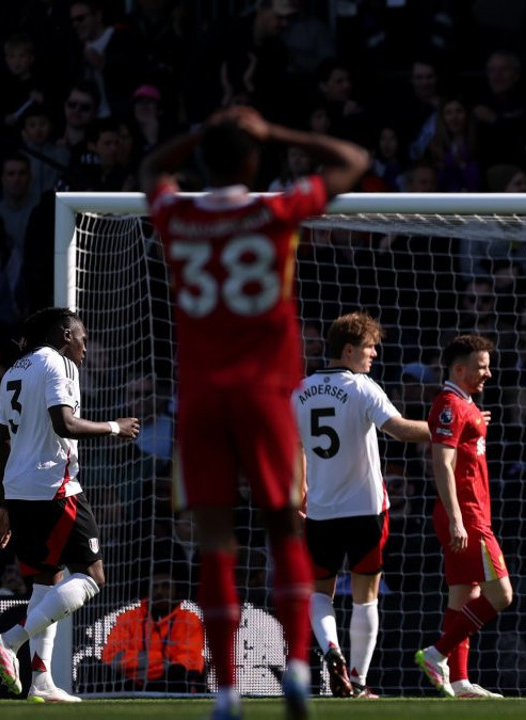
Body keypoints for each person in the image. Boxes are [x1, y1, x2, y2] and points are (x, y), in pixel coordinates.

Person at [139, 105, 368, 720]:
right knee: (284, 527)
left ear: (205, 158)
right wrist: (273, 129)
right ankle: (296, 666)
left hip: (202, 398)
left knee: (216, 542)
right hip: (267, 393)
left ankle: (226, 693)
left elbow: (151, 168)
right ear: (253, 159)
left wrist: (206, 130)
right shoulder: (274, 211)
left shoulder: (177, 215)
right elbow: (353, 160)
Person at [0, 307, 142, 703]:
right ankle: (10, 639)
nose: (85, 347)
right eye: (81, 337)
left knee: (46, 582)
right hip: (56, 488)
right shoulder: (60, 364)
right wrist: (114, 427)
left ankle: (41, 681)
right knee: (93, 577)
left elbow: (1, 441)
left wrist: (5, 502)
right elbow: (65, 424)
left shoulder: (12, 372)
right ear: (63, 335)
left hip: (20, 492)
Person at [294, 311, 430, 699]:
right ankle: (357, 680)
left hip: (320, 511)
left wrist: (299, 486)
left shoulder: (299, 391)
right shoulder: (362, 388)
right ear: (349, 349)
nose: (374, 355)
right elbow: (401, 430)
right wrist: (450, 427)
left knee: (320, 594)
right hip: (367, 509)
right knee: (364, 594)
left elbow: (291, 446)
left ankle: (331, 650)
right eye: (370, 347)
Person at [414, 334, 511, 699]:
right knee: (501, 595)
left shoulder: (463, 405)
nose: (488, 373)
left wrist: (473, 418)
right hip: (467, 515)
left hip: (470, 513)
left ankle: (459, 680)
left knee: (464, 596)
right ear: (459, 368)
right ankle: (436, 653)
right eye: (481, 366)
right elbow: (441, 461)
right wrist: (456, 517)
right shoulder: (450, 404)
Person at [101, 561, 206, 693]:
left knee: (179, 673)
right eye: (154, 587)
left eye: (166, 586)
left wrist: (138, 662)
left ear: (177, 590)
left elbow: (189, 662)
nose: (159, 591)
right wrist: (162, 660)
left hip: (172, 684)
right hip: (130, 683)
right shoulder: (128, 617)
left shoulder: (190, 619)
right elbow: (111, 656)